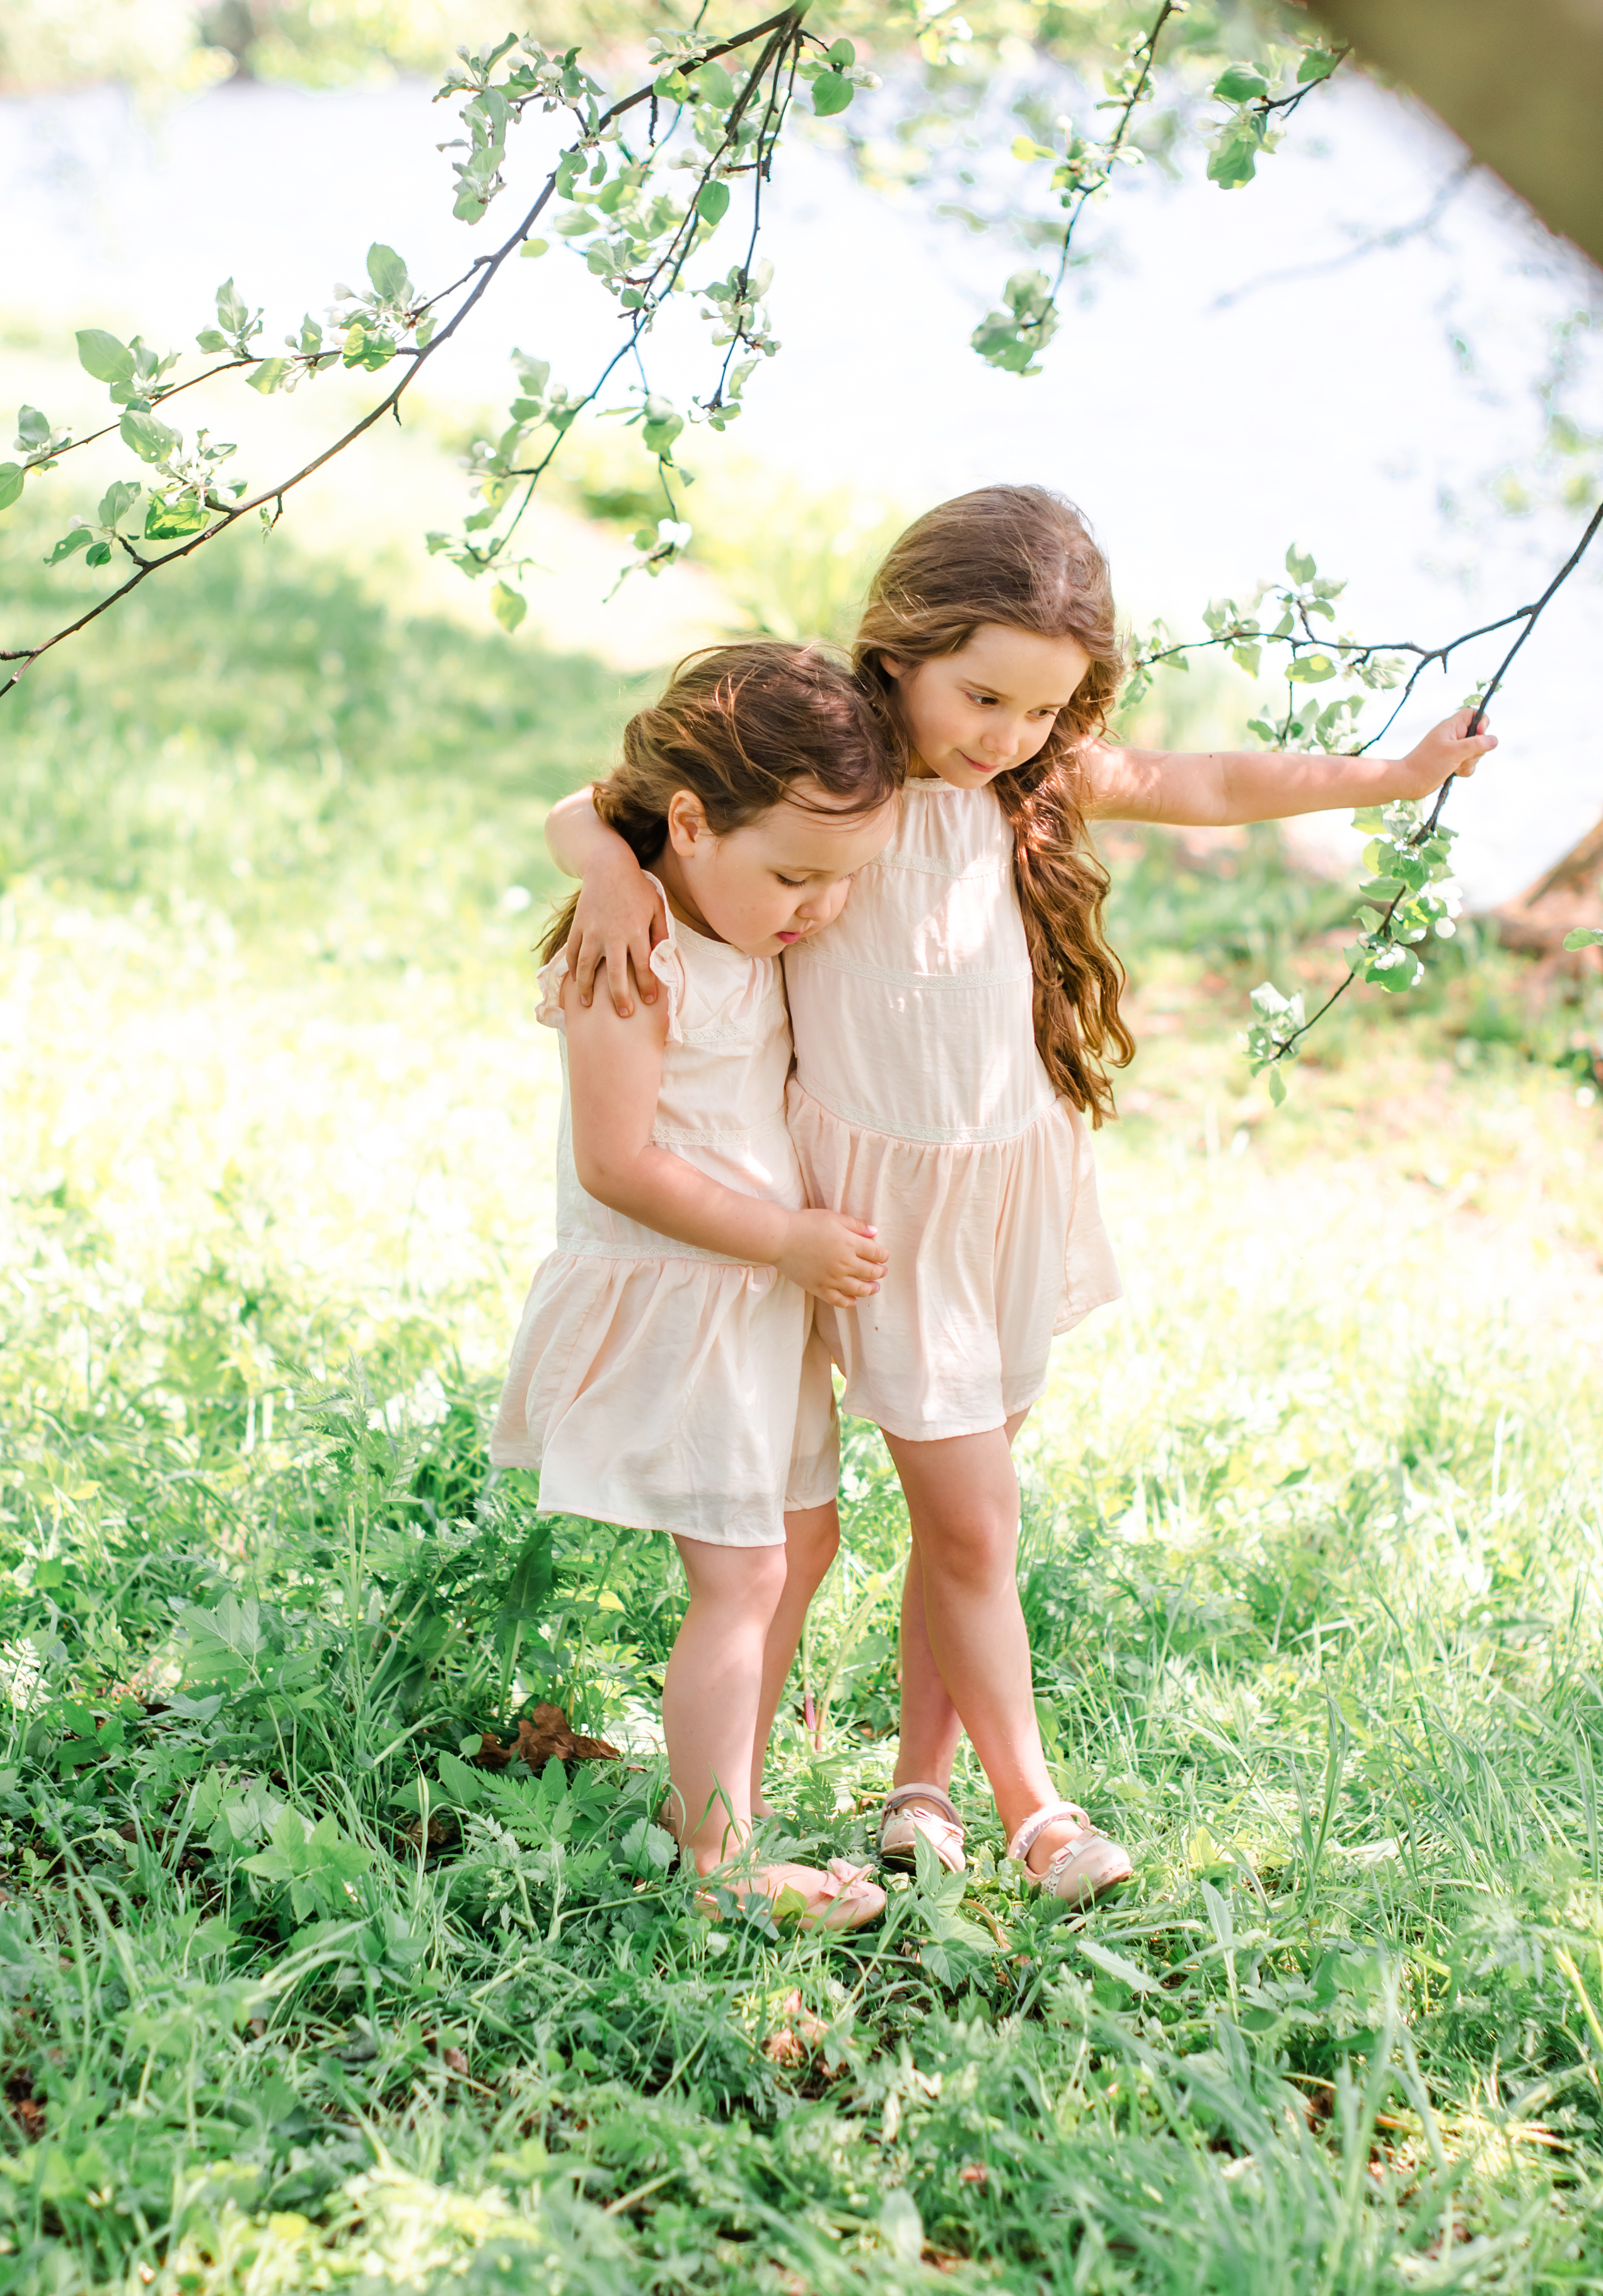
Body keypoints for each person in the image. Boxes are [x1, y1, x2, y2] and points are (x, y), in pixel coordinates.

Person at [549, 484, 1498, 1910]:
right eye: (982, 696)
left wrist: (1392, 776)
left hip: (1008, 1181)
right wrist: (611, 874)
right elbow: (601, 802)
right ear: (900, 652)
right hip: (876, 1206)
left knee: (966, 1516)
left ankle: (919, 1787)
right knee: (975, 1523)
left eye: (1042, 710)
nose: (1005, 735)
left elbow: (1206, 783)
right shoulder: (839, 773)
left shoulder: (1029, 785)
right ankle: (1034, 1811)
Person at [493, 640, 898, 1930]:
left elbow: (586, 811)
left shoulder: (707, 899)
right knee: (743, 1576)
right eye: (796, 876)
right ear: (690, 823)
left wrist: (609, 858)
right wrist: (784, 1239)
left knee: (804, 1541)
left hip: (757, 1296)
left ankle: (718, 1794)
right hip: (692, 1291)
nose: (819, 909)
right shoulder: (639, 957)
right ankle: (718, 1864)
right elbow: (617, 1165)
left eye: (843, 878)